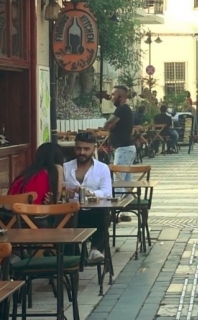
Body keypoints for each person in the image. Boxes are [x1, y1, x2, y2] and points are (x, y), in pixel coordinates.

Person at [63, 132, 112, 264]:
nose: (82, 152)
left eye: (86, 149)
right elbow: (60, 191)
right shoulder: (66, 168)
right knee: (63, 221)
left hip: (93, 212)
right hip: (72, 213)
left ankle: (95, 250)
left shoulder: (102, 168)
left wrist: (89, 193)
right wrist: (66, 193)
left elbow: (107, 192)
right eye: (78, 148)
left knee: (103, 214)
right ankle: (73, 259)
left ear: (93, 149)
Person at [104, 85, 136, 181]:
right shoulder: (125, 109)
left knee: (118, 181)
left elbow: (107, 125)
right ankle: (126, 192)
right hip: (126, 149)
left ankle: (120, 192)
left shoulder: (122, 109)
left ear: (120, 97)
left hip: (123, 149)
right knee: (126, 182)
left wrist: (111, 125)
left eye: (113, 94)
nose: (111, 97)